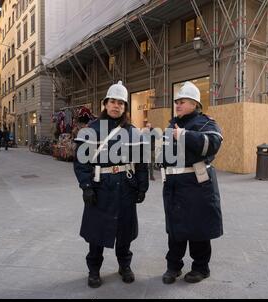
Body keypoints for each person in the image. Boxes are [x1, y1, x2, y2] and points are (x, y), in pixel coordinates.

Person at [74, 81, 149, 288]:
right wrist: (86, 186)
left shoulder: (133, 132)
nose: (116, 106)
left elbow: (141, 161)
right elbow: (81, 162)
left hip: (126, 186)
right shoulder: (91, 130)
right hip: (101, 186)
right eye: (113, 102)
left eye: (121, 103)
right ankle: (94, 270)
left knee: (125, 231)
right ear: (105, 104)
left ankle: (124, 265)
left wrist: (142, 186)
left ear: (125, 108)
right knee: (97, 232)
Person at [161, 81, 223, 284]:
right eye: (176, 101)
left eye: (182, 101)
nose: (177, 104)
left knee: (199, 229)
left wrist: (184, 135)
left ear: (195, 104)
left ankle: (201, 268)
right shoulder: (172, 125)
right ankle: (173, 267)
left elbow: (213, 143)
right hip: (174, 185)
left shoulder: (205, 123)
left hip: (197, 185)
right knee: (175, 229)